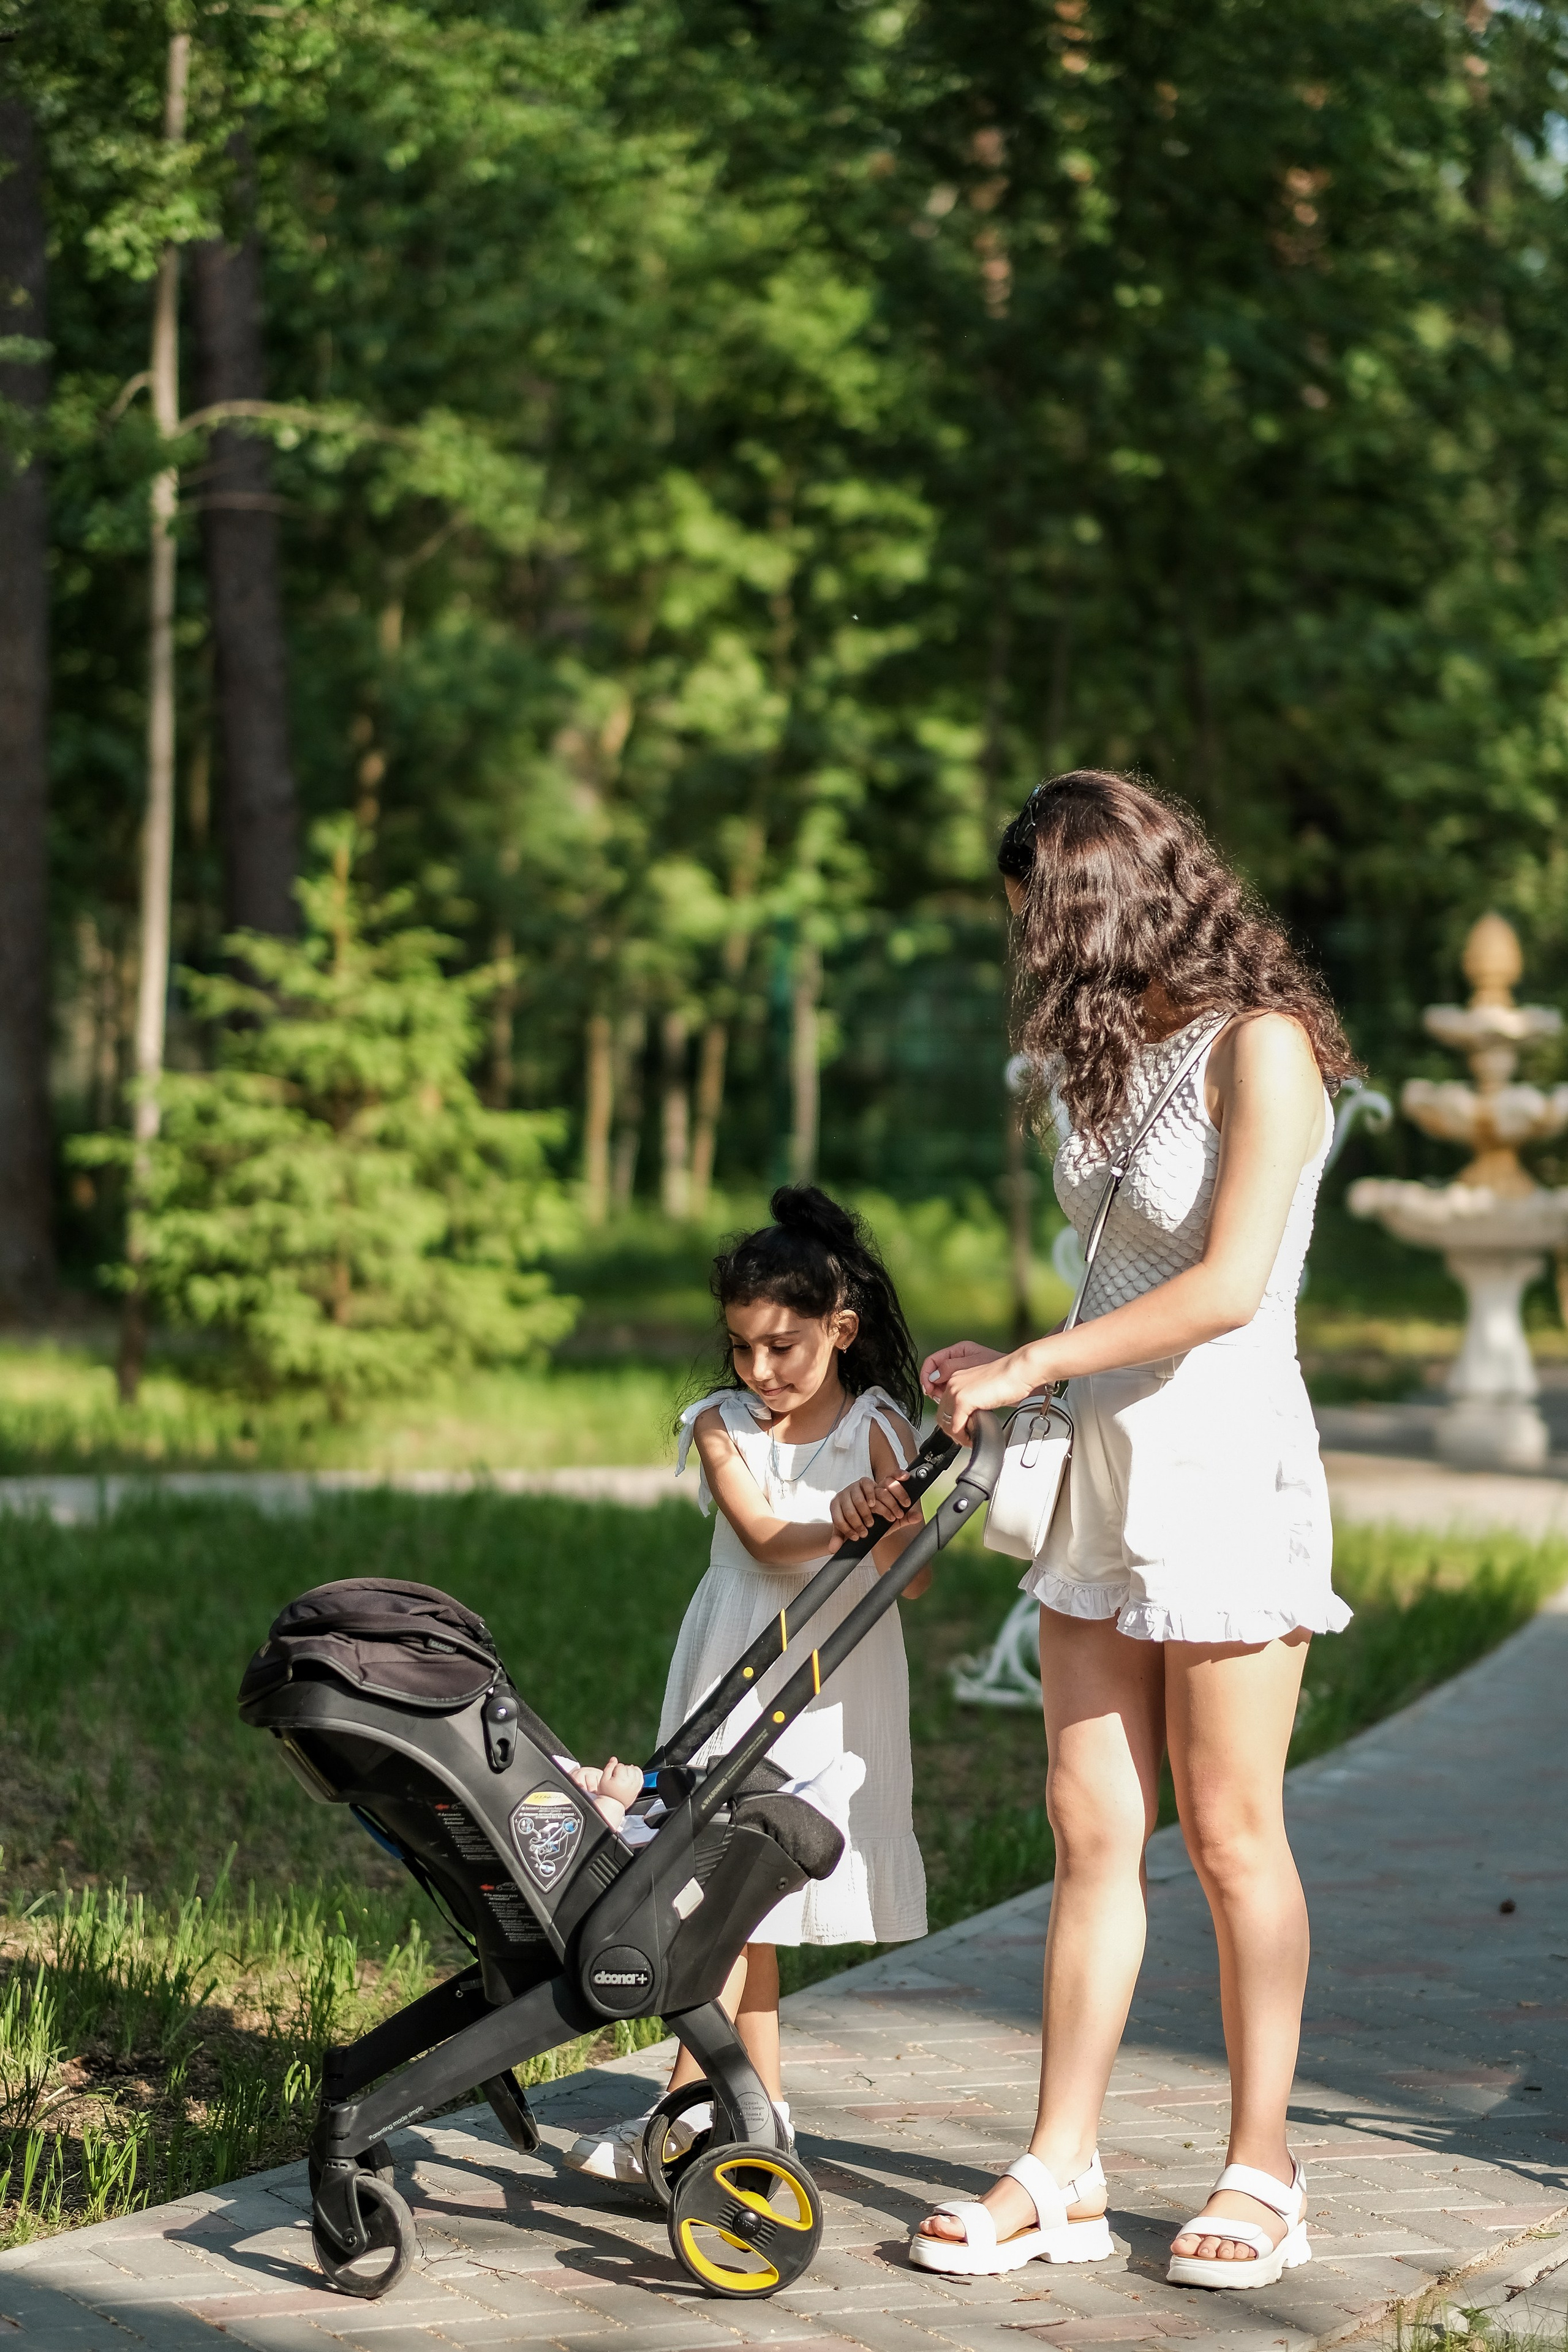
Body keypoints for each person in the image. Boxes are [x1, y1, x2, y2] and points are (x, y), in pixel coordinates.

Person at [903, 771, 1356, 2291]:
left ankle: (1261, 2165)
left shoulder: (1264, 1046)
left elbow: (1227, 1287)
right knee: (1090, 1831)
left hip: (1223, 1471)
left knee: (1230, 1839)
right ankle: (1061, 2167)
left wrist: (1038, 1363)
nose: (1030, 945)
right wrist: (1009, 1356)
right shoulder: (1106, 1056)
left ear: (1117, 901)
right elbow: (1111, 1287)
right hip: (1102, 1468)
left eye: (1045, 915)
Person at [564, 1185, 929, 2186]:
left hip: (829, 1686)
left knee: (740, 1901)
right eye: (742, 1347)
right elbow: (766, 1538)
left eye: (784, 1348)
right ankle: (732, 2124)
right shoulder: (722, 1424)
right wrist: (844, 1522)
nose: (759, 1371)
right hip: (736, 1662)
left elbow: (919, 1569)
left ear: (840, 1331)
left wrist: (882, 1520)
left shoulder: (881, 1429)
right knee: (725, 1898)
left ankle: (702, 2121)